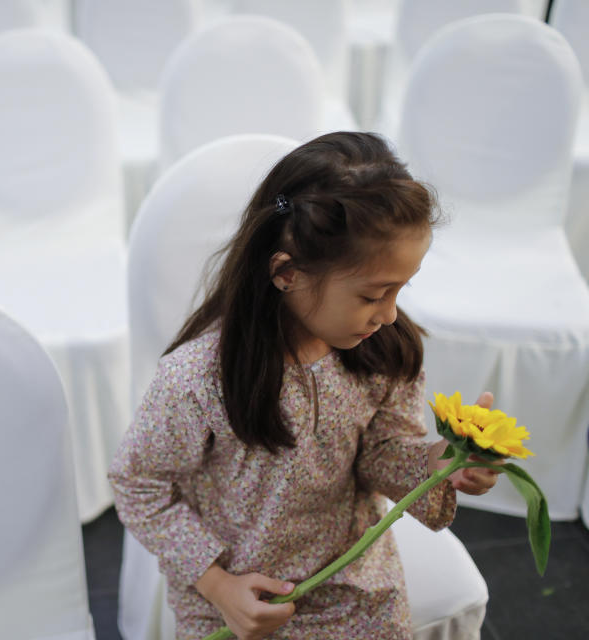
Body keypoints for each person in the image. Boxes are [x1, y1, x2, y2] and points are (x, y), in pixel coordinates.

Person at [108, 131, 499, 639]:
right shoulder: (199, 378)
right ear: (286, 272)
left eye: (402, 289)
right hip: (240, 594)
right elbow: (138, 483)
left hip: (354, 587)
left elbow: (381, 451)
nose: (389, 313)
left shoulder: (384, 351)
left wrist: (436, 466)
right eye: (373, 294)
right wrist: (216, 585)